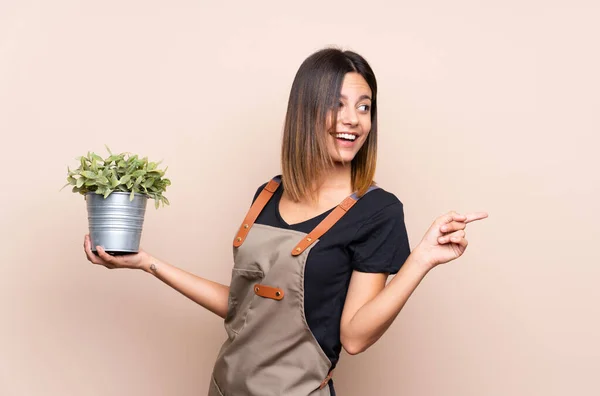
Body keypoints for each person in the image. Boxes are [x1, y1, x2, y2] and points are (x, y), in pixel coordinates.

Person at [83, 47, 488, 396]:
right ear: (306, 111)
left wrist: (421, 261)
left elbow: (355, 336)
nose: (353, 119)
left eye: (364, 107)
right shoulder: (268, 194)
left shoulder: (377, 212)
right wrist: (146, 262)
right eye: (338, 104)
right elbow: (243, 307)